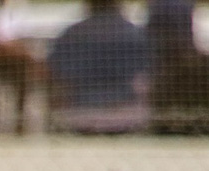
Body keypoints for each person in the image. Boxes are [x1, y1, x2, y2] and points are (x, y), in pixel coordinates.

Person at [47, 0, 152, 133]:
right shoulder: (135, 34)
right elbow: (147, 76)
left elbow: (56, 77)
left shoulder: (71, 34)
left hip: (79, 115)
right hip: (126, 115)